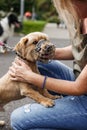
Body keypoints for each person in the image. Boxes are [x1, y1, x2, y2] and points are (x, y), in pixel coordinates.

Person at [9, 0, 87, 129]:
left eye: (65, 5)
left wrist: (29, 76)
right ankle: (66, 111)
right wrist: (50, 54)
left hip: (82, 92)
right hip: (80, 80)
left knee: (18, 119)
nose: (65, 10)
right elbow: (79, 49)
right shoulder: (82, 17)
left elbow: (79, 88)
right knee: (41, 64)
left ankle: (69, 117)